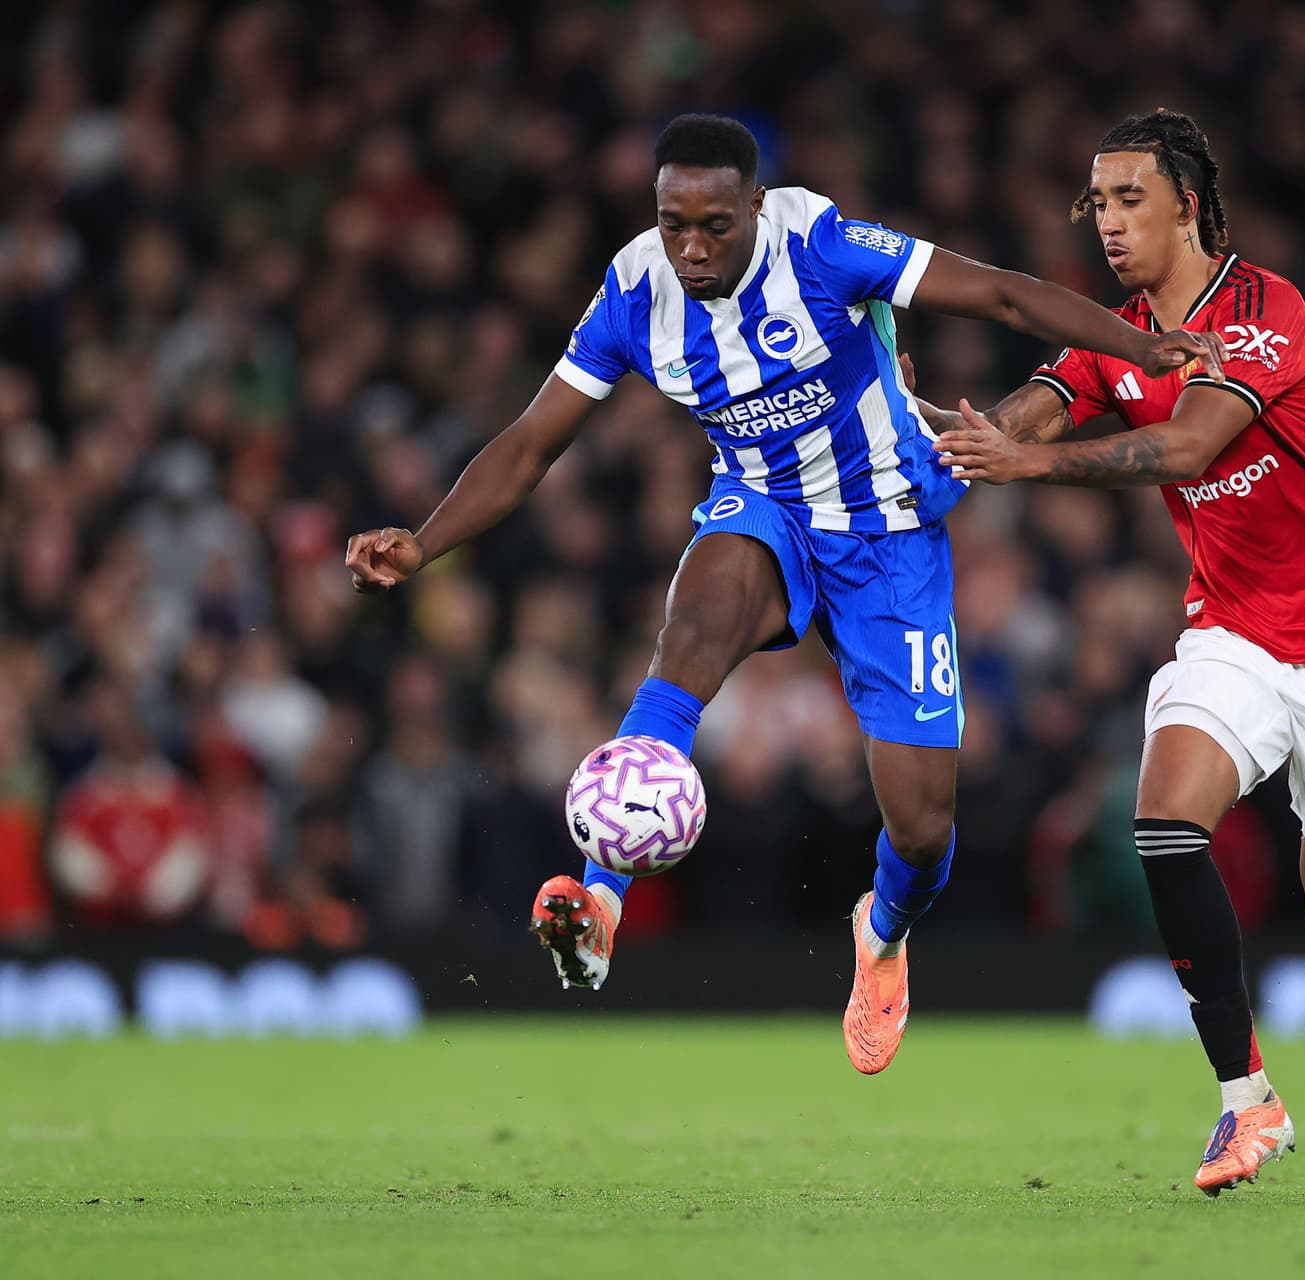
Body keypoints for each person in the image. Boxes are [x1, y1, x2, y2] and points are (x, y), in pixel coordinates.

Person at [343, 114, 1222, 1075]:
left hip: (888, 532)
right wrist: (424, 543)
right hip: (764, 511)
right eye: (674, 221)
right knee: (695, 625)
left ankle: (881, 932)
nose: (691, 246)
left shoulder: (823, 244)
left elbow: (1006, 299)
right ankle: (602, 901)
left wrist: (1146, 351)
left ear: (754, 207)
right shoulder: (635, 292)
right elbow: (528, 445)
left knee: (924, 831)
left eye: (714, 224)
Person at [922, 109, 1305, 1196]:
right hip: (1236, 628)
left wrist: (1026, 468)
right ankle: (1246, 1102)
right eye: (1096, 203)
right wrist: (947, 432)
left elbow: (1192, 443)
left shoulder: (1264, 311)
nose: (1108, 222)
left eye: (1129, 199)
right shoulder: (1119, 336)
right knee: (1162, 823)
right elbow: (1035, 409)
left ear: (1187, 204)